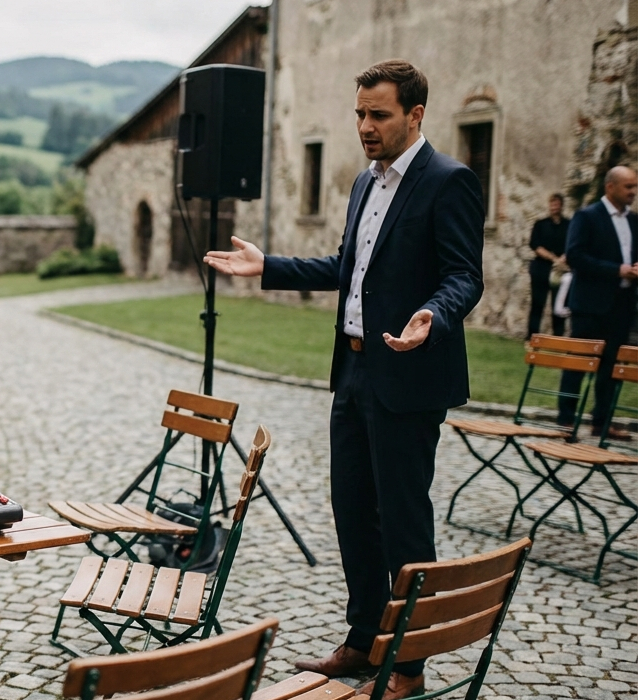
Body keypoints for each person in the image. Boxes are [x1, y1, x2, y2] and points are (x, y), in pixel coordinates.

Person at [204, 59, 484, 700]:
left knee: (405, 522)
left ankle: (408, 667)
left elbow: (465, 274)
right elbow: (345, 265)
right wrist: (267, 264)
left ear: (414, 116)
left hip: (409, 376)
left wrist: (432, 315)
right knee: (353, 512)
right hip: (353, 370)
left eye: (378, 114)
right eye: (359, 113)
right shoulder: (365, 183)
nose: (364, 126)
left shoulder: (450, 180)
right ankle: (362, 640)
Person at [555, 166, 638, 440]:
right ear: (610, 187)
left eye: (634, 187)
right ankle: (565, 420)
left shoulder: (634, 221)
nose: (633, 192)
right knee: (578, 364)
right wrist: (617, 270)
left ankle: (602, 422)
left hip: (622, 304)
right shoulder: (588, 216)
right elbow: (575, 256)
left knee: (612, 367)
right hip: (590, 305)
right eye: (628, 187)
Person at [528, 194, 569, 338]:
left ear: (561, 205)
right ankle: (532, 335)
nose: (554, 207)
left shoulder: (568, 225)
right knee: (537, 303)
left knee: (558, 305)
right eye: (552, 204)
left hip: (560, 270)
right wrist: (553, 258)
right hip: (541, 268)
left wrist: (563, 259)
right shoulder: (540, 224)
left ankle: (558, 335)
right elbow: (535, 245)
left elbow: (571, 245)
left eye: (557, 204)